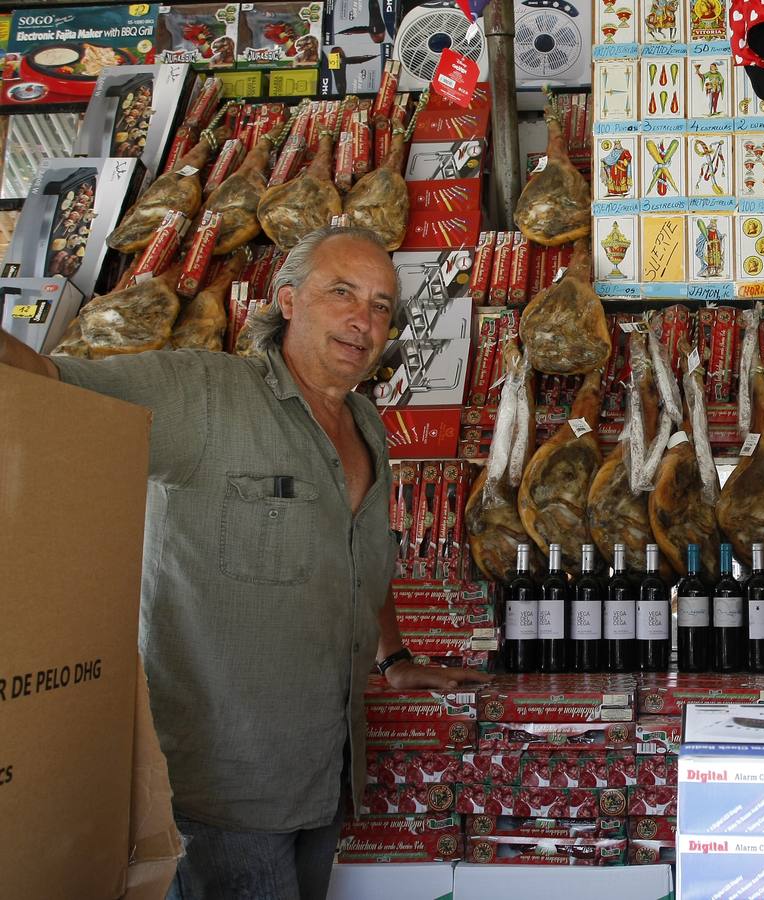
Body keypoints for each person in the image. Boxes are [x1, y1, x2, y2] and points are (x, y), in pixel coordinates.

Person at [0, 224, 489, 900]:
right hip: (223, 790)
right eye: (341, 292)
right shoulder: (202, 394)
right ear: (286, 300)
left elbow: (359, 552)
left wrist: (393, 656)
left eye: (381, 305)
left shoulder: (368, 427)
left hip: (326, 770)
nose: (363, 320)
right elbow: (56, 386)